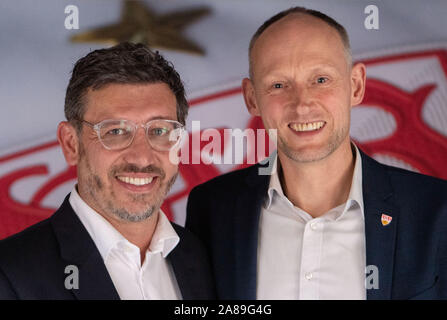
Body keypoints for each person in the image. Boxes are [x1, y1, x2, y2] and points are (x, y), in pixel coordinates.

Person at [186, 7, 447, 299]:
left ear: (356, 86)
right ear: (252, 98)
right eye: (278, 85)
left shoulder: (437, 211)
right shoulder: (212, 208)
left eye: (321, 80)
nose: (302, 104)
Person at [0, 42, 215, 300]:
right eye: (115, 131)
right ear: (71, 144)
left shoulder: (204, 257)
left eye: (159, 131)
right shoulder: (10, 274)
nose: (142, 157)